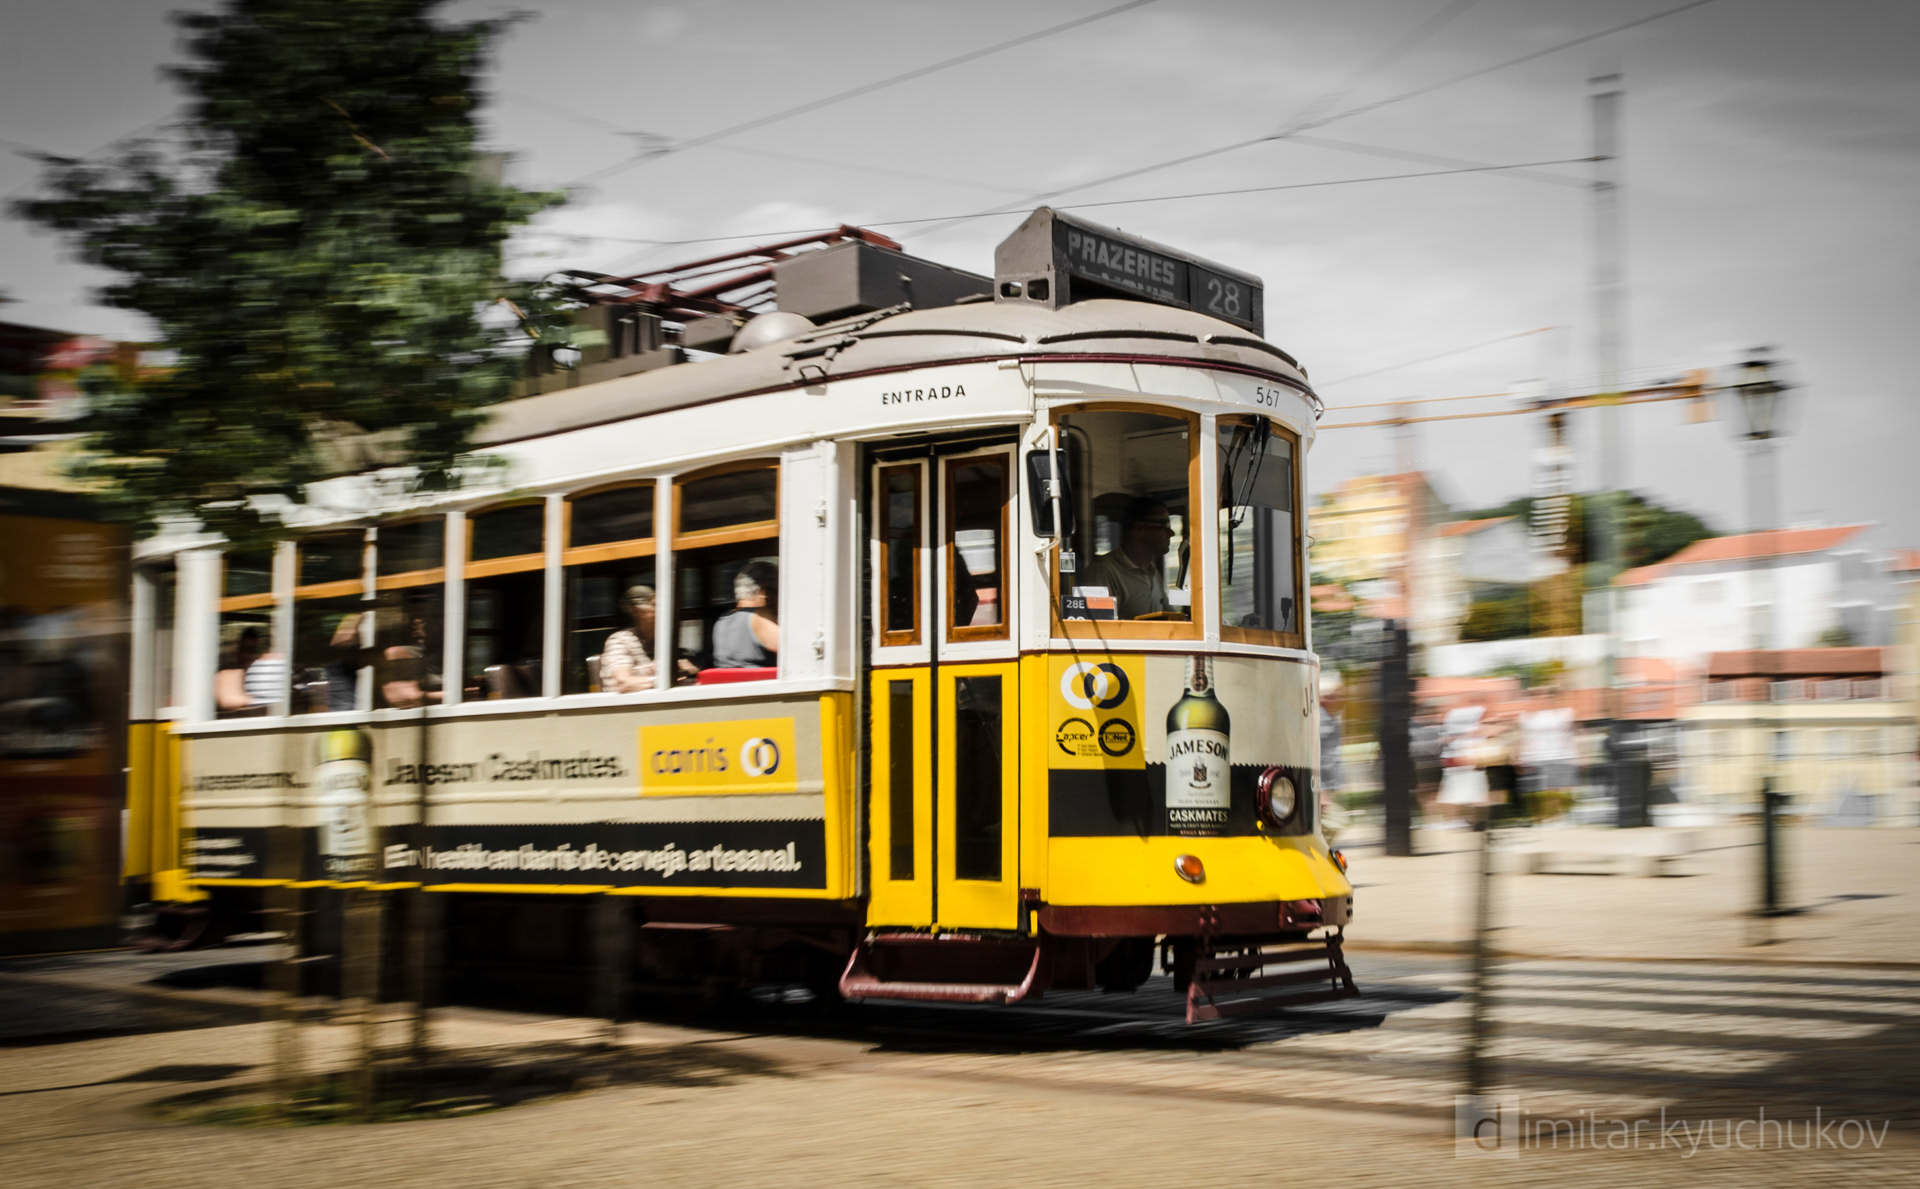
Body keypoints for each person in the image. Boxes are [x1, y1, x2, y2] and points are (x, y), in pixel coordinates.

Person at [1079, 497, 1175, 620]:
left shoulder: (1153, 572)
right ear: (1140, 528)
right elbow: (1098, 629)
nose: (1172, 533)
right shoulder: (1103, 571)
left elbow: (1172, 619)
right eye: (1165, 525)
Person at [600, 585, 683, 692]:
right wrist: (665, 681)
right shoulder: (621, 640)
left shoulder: (663, 641)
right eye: (655, 605)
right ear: (635, 611)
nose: (662, 610)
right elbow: (622, 683)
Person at [711, 560, 779, 668]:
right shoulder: (758, 618)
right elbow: (792, 649)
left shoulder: (721, 621)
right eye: (778, 593)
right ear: (764, 591)